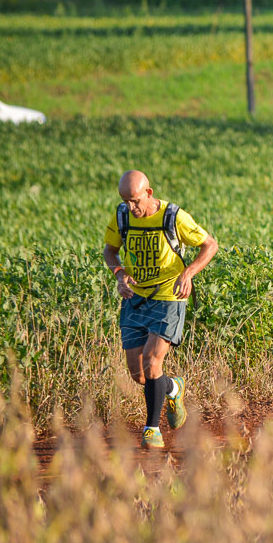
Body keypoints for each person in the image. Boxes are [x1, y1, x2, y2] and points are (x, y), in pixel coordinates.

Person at [102, 171, 218, 448]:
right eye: (125, 201)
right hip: (135, 297)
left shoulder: (172, 216)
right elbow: (110, 251)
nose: (131, 207)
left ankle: (152, 429)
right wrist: (119, 274)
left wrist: (188, 273)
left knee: (153, 361)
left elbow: (209, 245)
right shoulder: (121, 216)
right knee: (139, 374)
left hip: (169, 295)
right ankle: (174, 388)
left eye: (135, 200)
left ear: (149, 193)